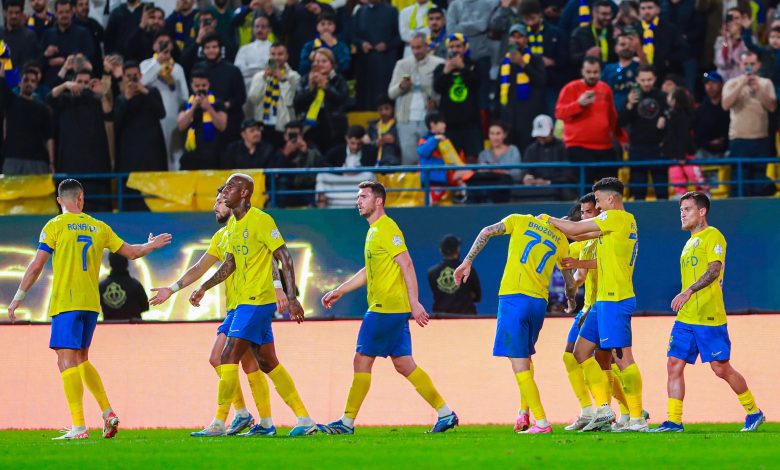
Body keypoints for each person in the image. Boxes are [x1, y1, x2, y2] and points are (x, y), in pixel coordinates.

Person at [6, 179, 172, 440]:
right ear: (81, 198)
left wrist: (18, 296)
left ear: (60, 200)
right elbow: (131, 252)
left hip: (66, 302)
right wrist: (150, 245)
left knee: (65, 360)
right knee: (82, 359)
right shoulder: (99, 227)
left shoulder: (55, 225)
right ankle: (107, 413)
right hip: (91, 305)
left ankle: (78, 426)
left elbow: (37, 265)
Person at [319, 181, 459, 435]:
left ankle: (346, 422)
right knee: (405, 364)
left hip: (385, 308)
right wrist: (341, 289)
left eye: (363, 196)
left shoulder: (387, 227)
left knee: (361, 360)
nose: (358, 201)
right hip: (391, 308)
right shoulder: (374, 231)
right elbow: (368, 271)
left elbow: (406, 263)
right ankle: (446, 413)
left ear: (378, 201)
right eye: (358, 197)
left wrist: (415, 302)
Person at [188, 173, 320, 437]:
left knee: (226, 357)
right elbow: (230, 264)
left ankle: (219, 421)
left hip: (256, 301)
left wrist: (291, 296)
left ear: (245, 193)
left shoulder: (261, 220)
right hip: (244, 303)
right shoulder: (234, 227)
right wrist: (204, 287)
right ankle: (302, 421)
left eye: (230, 187)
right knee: (268, 362)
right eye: (224, 188)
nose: (224, 192)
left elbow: (283, 256)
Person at [149, 187, 279, 437]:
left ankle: (233, 420)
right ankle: (258, 419)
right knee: (246, 363)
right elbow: (200, 266)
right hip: (236, 305)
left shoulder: (252, 224)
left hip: (252, 303)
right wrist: (172, 288)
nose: (215, 206)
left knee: (228, 358)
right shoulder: (222, 236)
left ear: (233, 202)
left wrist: (279, 290)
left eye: (220, 201)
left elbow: (273, 257)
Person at [454, 205, 576, 434]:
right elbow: (569, 281)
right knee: (525, 357)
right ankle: (523, 413)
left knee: (518, 362)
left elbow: (487, 231)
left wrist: (468, 261)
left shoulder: (520, 220)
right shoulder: (561, 241)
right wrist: (570, 300)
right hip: (539, 303)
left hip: (514, 297)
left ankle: (541, 422)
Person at [650, 192, 765, 432]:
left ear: (702, 212)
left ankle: (754, 411)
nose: (682, 214)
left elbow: (714, 270)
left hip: (709, 316)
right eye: (681, 210)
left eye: (688, 209)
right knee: (673, 364)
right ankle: (674, 421)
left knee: (720, 368)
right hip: (686, 317)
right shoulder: (689, 242)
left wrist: (688, 291)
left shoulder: (713, 236)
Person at [543, 177, 646, 433]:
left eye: (599, 200)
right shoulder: (620, 223)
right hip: (603, 301)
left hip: (616, 298)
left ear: (611, 198)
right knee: (580, 352)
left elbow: (577, 231)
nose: (597, 206)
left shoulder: (618, 218)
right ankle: (604, 410)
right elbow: (582, 235)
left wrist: (548, 220)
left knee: (622, 359)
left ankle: (637, 418)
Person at [48, 69, 112, 212]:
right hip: (70, 166)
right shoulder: (64, 100)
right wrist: (65, 85)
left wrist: (102, 94)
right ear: (72, 82)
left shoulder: (96, 100)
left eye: (86, 83)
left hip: (96, 168)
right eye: (79, 82)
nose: (82, 85)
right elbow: (49, 97)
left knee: (97, 212)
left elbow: (109, 113)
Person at [555, 57, 621, 185]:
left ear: (600, 72)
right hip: (578, 146)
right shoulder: (570, 88)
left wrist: (621, 138)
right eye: (588, 72)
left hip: (605, 146)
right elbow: (559, 113)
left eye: (595, 72)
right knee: (585, 191)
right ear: (582, 71)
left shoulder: (605, 88)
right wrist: (578, 104)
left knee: (610, 189)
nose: (592, 75)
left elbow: (612, 116)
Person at [722, 51, 777, 197]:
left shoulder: (766, 83)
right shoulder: (732, 83)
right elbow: (725, 104)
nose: (749, 67)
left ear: (758, 65)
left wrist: (758, 89)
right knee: (740, 185)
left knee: (759, 186)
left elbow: (772, 106)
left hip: (761, 140)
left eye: (752, 64)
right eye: (745, 64)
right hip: (739, 140)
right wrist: (741, 84)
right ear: (740, 65)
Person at [388, 32, 444, 165]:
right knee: (408, 161)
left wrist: (434, 102)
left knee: (430, 159)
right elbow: (391, 93)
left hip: (430, 120)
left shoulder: (439, 63)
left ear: (426, 46)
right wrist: (402, 86)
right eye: (413, 48)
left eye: (419, 47)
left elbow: (442, 93)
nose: (416, 51)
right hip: (406, 120)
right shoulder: (402, 64)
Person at [140, 32, 189, 170]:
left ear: (172, 46)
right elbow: (141, 82)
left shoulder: (178, 68)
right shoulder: (146, 64)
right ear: (154, 45)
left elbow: (184, 95)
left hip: (173, 117)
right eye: (160, 42)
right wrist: (158, 63)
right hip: (152, 117)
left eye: (167, 42)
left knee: (175, 152)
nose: (163, 45)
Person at [618, 64, 667, 201]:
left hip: (659, 149)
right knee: (638, 193)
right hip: (637, 149)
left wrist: (665, 118)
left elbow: (674, 117)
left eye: (649, 79)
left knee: (662, 192)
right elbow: (620, 122)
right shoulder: (632, 97)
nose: (646, 83)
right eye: (643, 80)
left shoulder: (662, 97)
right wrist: (629, 105)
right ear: (637, 80)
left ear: (655, 79)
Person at [496, 24, 546, 152]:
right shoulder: (505, 62)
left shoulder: (535, 59)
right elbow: (498, 88)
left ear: (526, 39)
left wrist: (523, 64)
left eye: (520, 37)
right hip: (508, 114)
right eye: (513, 37)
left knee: (526, 148)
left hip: (528, 114)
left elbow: (541, 81)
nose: (516, 40)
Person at [433, 33, 483, 162]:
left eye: (458, 46)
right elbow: (437, 88)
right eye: (451, 47)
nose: (455, 50)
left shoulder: (474, 65)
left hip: (471, 124)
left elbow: (477, 84)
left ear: (465, 47)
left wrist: (463, 68)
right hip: (449, 125)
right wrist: (446, 71)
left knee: (472, 159)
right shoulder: (440, 68)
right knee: (451, 162)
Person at [113, 61, 168, 175]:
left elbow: (161, 113)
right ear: (123, 77)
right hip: (130, 152)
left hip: (152, 150)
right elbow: (117, 122)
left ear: (141, 75)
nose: (133, 78)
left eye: (136, 75)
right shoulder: (120, 98)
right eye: (129, 76)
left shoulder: (152, 92)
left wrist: (145, 92)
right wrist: (127, 99)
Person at [193, 33, 246, 144]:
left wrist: (226, 105)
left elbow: (241, 97)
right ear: (203, 50)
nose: (211, 50)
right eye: (207, 48)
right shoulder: (197, 68)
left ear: (220, 49)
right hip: (203, 119)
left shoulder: (232, 70)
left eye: (214, 47)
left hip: (229, 121)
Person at [293, 48, 349, 155]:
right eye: (317, 61)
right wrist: (310, 88)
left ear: (331, 64)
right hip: (310, 126)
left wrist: (326, 86)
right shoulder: (305, 80)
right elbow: (297, 102)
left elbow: (342, 99)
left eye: (324, 61)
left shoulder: (338, 79)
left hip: (333, 126)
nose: (320, 64)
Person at [0, 66, 54, 175]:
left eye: (33, 81)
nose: (29, 83)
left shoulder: (43, 109)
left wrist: (52, 162)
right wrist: (3, 61)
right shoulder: (10, 101)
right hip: (12, 158)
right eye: (26, 80)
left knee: (36, 193)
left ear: (36, 85)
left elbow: (49, 137)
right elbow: (1, 81)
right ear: (20, 83)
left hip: (38, 161)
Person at [248, 43, 300, 149]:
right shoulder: (259, 76)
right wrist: (263, 79)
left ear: (286, 56)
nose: (276, 57)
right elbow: (253, 99)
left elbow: (289, 101)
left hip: (283, 127)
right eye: (273, 54)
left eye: (280, 54)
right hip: (263, 125)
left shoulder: (294, 77)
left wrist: (282, 80)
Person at [352, 0, 402, 110]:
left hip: (385, 61)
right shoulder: (360, 12)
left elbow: (400, 37)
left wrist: (387, 45)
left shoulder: (391, 11)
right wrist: (362, 43)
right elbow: (353, 35)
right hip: (366, 62)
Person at [178, 68, 229, 170]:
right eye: (197, 86)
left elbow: (222, 126)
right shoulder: (185, 104)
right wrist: (193, 108)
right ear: (192, 86)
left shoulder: (218, 103)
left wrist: (209, 108)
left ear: (209, 85)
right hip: (191, 155)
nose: (200, 89)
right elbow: (181, 126)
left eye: (203, 85)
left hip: (214, 155)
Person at [40, 0, 96, 87]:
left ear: (72, 12)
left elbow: (89, 57)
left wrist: (63, 61)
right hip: (51, 85)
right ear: (55, 14)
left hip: (77, 84)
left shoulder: (83, 33)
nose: (64, 15)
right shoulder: (47, 34)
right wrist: (46, 57)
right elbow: (39, 61)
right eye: (61, 12)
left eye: (67, 12)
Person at [521, 114, 577, 201]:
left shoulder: (563, 147)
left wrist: (548, 182)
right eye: (539, 136)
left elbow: (569, 174)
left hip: (558, 187)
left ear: (552, 130)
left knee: (568, 192)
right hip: (535, 187)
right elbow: (526, 170)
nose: (541, 138)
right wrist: (528, 177)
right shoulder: (531, 149)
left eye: (544, 136)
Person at [663, 88, 705, 198]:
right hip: (674, 156)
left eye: (670, 95)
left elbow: (682, 137)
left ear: (675, 100)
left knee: (695, 176)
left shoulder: (683, 116)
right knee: (676, 177)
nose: (667, 97)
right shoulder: (670, 115)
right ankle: (680, 195)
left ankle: (704, 195)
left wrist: (681, 156)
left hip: (686, 155)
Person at [427, 235, 481, 315]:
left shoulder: (431, 273)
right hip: (467, 318)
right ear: (457, 249)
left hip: (442, 319)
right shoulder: (468, 270)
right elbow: (477, 296)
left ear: (441, 250)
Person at [277, 120, 327, 207]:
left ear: (302, 136)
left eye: (296, 135)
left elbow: (322, 165)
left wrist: (306, 153)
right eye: (290, 135)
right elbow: (276, 172)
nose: (293, 138)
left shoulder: (311, 148)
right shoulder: (281, 150)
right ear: (285, 136)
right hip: (288, 187)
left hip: (306, 186)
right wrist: (285, 154)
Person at [470, 121, 520, 204]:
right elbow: (481, 174)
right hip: (487, 189)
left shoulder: (513, 150)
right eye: (492, 134)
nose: (495, 137)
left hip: (506, 190)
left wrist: (493, 169)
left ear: (504, 135)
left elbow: (517, 175)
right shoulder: (483, 154)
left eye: (498, 134)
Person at [637, 0, 688, 81]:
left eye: (650, 8)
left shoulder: (670, 29)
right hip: (641, 76)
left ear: (658, 9)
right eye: (643, 8)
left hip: (667, 75)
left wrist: (667, 61)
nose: (646, 11)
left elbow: (683, 51)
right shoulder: (636, 29)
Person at [280, 0, 335, 71]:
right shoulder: (294, 8)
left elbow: (337, 26)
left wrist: (320, 13)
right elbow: (283, 30)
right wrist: (289, 6)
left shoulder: (325, 7)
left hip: (323, 51)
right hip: (296, 56)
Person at [99, 253, 149, 322]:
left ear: (110, 264)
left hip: (110, 330)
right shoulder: (135, 285)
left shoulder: (101, 287)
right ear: (126, 263)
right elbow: (145, 307)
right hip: (134, 330)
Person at [298, 11, 351, 76]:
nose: (326, 27)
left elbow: (345, 67)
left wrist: (332, 46)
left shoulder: (341, 45)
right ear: (317, 27)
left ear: (334, 27)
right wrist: (310, 59)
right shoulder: (309, 45)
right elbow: (302, 69)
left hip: (335, 79)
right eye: (322, 24)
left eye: (330, 24)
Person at [601, 32, 640, 113]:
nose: (626, 47)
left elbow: (648, 69)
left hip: (636, 112)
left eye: (630, 45)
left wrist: (639, 49)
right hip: (613, 111)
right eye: (622, 44)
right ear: (616, 48)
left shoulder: (639, 66)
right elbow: (602, 91)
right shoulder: (608, 68)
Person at [694, 71, 729, 158]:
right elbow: (697, 133)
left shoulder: (729, 106)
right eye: (707, 84)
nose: (710, 87)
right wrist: (709, 143)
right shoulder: (701, 109)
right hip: (705, 150)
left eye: (714, 83)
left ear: (721, 85)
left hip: (726, 150)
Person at [570, 0, 616, 67]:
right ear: (594, 13)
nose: (608, 17)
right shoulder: (580, 33)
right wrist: (587, 55)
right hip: (588, 73)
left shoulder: (614, 32)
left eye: (610, 14)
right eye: (604, 14)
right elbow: (572, 58)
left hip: (610, 73)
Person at [234, 16, 273, 90]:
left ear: (269, 30)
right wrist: (262, 69)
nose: (259, 29)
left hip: (268, 86)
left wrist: (251, 68)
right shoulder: (244, 49)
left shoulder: (274, 49)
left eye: (263, 27)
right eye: (257, 26)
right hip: (248, 87)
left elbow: (273, 69)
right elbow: (239, 70)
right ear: (253, 29)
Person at [1, 0, 40, 74]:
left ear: (22, 14)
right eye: (10, 12)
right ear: (5, 13)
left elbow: (29, 64)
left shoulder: (29, 36)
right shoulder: (0, 34)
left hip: (20, 80)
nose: (14, 16)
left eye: (17, 13)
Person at [714, 8, 751, 83]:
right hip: (724, 81)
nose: (734, 21)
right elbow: (721, 62)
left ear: (742, 20)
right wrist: (726, 39)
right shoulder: (721, 40)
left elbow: (748, 62)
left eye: (737, 18)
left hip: (743, 81)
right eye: (730, 18)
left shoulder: (750, 40)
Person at [366, 94, 401, 166]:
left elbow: (405, 148)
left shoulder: (398, 125)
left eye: (387, 108)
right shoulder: (372, 126)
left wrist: (394, 141)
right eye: (380, 109)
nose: (383, 112)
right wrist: (376, 143)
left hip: (392, 164)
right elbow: (366, 147)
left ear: (393, 109)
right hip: (372, 163)